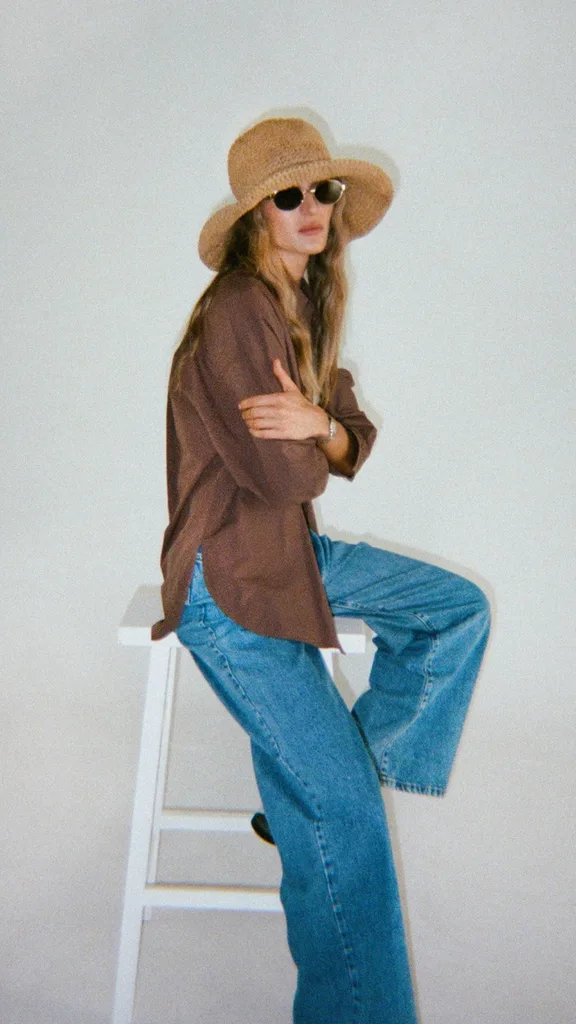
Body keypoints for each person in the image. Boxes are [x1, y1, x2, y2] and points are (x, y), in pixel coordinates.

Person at [152, 116, 491, 1024]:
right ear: (258, 214)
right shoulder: (236, 313)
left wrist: (323, 425)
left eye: (322, 192)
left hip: (293, 558)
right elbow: (289, 471)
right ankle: (329, 802)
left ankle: (332, 778)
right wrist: (319, 436)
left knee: (454, 611)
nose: (311, 208)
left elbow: (348, 438)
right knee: (350, 828)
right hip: (231, 581)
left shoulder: (302, 307)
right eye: (289, 195)